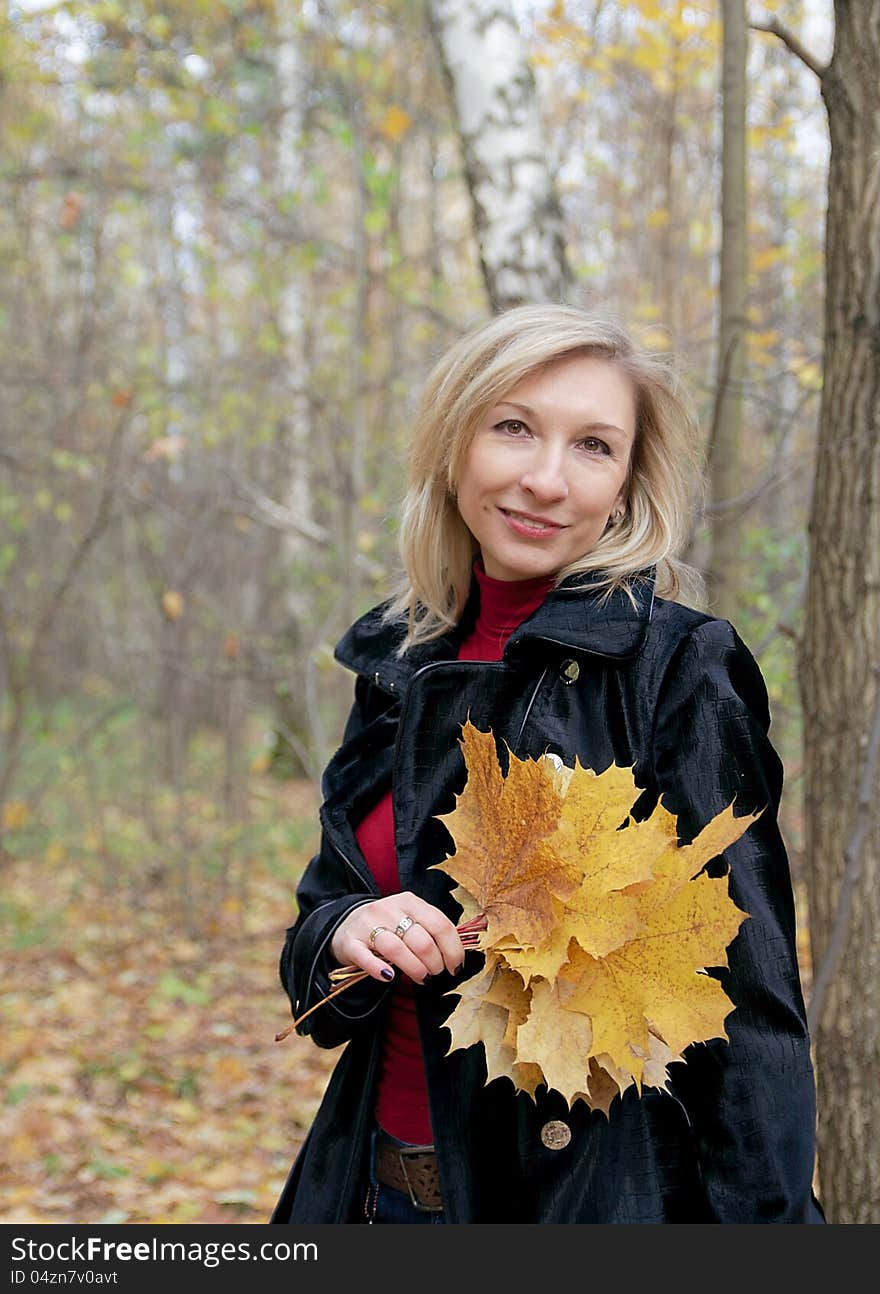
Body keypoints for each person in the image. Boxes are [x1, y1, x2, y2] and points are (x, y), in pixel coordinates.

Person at [270, 304, 825, 1224]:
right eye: (514, 427)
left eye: (594, 447)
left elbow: (750, 1007)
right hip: (374, 1190)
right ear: (456, 446)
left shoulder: (677, 669)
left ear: (626, 486)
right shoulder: (399, 659)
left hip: (576, 1203)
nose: (545, 479)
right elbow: (318, 950)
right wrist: (346, 930)